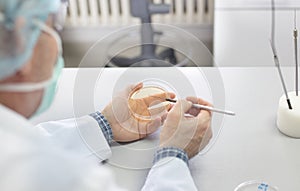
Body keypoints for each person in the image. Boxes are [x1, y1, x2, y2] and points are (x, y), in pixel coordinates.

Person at [0, 0, 213, 190]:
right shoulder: (66, 178)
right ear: (21, 42)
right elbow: (35, 160)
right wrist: (174, 154)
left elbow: (27, 144)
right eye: (54, 28)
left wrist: (106, 124)